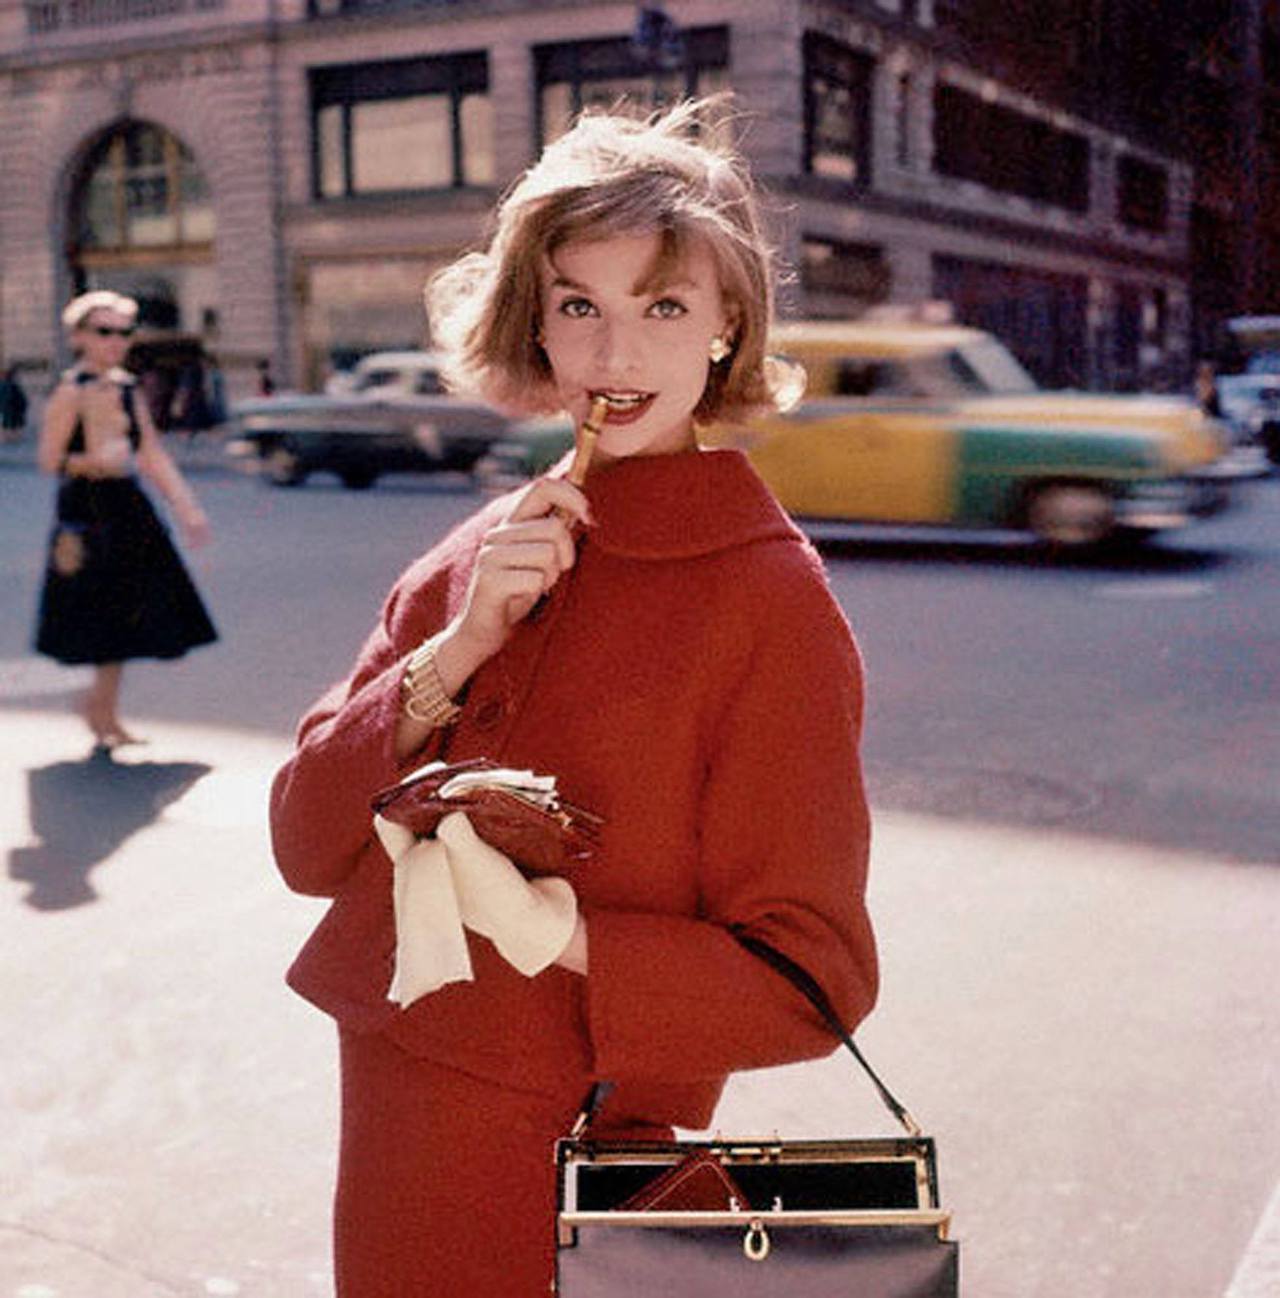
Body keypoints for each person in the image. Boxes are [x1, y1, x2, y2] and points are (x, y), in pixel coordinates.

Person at [269, 99, 877, 1297]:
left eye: (663, 307)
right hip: (392, 1116)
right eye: (578, 307)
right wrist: (455, 648)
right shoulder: (472, 555)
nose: (615, 356)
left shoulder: (768, 598)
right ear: (534, 330)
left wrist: (563, 935)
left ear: (724, 330)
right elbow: (302, 841)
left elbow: (814, 980)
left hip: (583, 1164)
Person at [34, 290, 218, 751]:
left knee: (132, 608)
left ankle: (103, 710)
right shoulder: (70, 390)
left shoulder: (126, 387)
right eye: (104, 331)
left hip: (127, 504)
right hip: (85, 508)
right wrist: (92, 460)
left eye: (123, 332)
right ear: (79, 337)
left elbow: (150, 451)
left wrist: (186, 507)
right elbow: (49, 459)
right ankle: (101, 710)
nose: (116, 341)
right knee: (100, 613)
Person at [0, 364, 28, 441]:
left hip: (11, 408)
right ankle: (11, 437)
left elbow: (20, 398)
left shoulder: (8, 385)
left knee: (10, 423)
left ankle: (10, 437)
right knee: (10, 423)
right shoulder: (9, 385)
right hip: (11, 408)